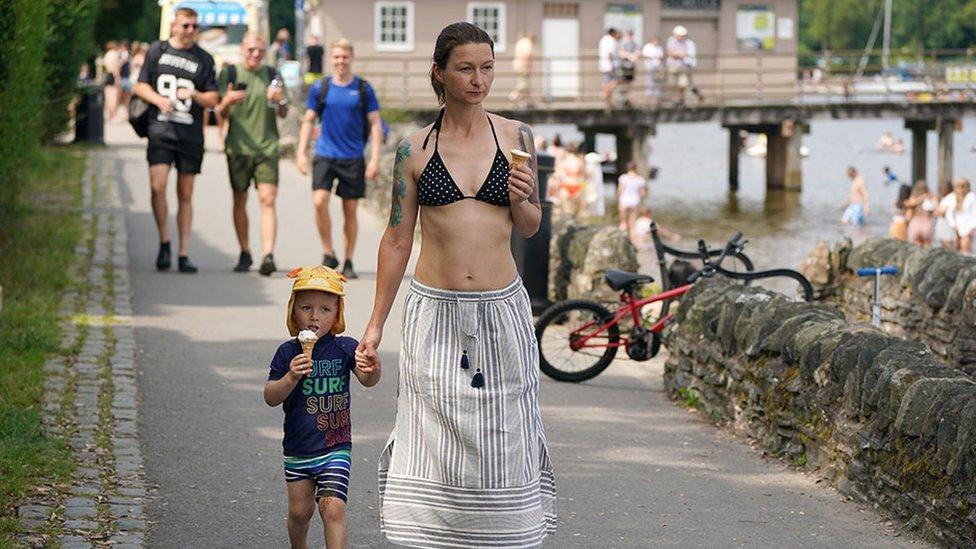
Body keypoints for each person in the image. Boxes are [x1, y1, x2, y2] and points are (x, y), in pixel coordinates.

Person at [354, 21, 555, 548]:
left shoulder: (516, 138)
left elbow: (530, 226)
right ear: (440, 73)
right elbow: (397, 241)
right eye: (465, 68)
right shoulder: (414, 150)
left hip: (500, 308)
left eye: (487, 67)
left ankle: (503, 537)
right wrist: (374, 327)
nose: (478, 79)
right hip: (435, 310)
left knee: (502, 428)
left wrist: (522, 199)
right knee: (433, 430)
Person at [264, 265, 380, 549]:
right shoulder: (287, 352)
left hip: (335, 446)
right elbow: (270, 395)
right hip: (298, 448)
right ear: (293, 311)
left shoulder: (344, 348)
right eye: (306, 307)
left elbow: (367, 379)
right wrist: (290, 376)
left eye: (325, 310)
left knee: (333, 508)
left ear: (337, 314)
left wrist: (372, 366)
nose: (315, 316)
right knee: (299, 513)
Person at [133, 7, 219, 273]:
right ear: (174, 26)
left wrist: (193, 94)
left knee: (185, 193)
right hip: (161, 130)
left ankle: (183, 252)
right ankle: (164, 242)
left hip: (190, 134)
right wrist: (158, 99)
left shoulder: (204, 59)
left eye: (195, 26)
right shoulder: (158, 51)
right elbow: (139, 85)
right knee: (158, 186)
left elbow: (213, 99)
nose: (191, 31)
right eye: (186, 26)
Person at [296, 38, 382, 279]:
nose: (340, 61)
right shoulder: (321, 88)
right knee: (319, 202)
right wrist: (301, 152)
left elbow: (375, 125)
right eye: (336, 57)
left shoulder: (363, 89)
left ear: (351, 58)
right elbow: (308, 120)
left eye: (345, 57)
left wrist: (374, 159)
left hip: (353, 157)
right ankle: (328, 252)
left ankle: (348, 260)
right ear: (330, 59)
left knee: (350, 211)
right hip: (325, 154)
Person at [216, 33, 289, 276]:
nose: (255, 55)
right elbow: (219, 112)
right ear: (243, 50)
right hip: (238, 147)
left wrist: (279, 102)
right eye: (251, 50)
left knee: (268, 200)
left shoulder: (273, 75)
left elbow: (283, 113)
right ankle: (244, 251)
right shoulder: (230, 74)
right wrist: (227, 101)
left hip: (267, 147)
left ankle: (268, 254)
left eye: (259, 50)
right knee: (240, 198)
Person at [666, 25, 702, 105]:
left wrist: (677, 54)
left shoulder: (688, 43)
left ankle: (681, 100)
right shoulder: (671, 41)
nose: (681, 37)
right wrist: (679, 54)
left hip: (684, 66)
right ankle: (679, 99)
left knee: (683, 84)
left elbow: (687, 54)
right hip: (673, 66)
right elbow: (670, 52)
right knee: (674, 84)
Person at [942, 178, 976, 253]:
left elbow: (974, 213)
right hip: (956, 227)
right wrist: (953, 225)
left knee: (965, 248)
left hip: (968, 227)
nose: (961, 189)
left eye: (963, 186)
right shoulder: (952, 197)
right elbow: (948, 212)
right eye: (959, 186)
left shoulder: (971, 196)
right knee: (957, 248)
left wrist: (972, 227)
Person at [617, 161, 647, 238]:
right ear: (636, 168)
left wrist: (619, 200)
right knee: (632, 225)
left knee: (623, 223)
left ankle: (621, 240)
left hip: (624, 201)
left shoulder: (623, 178)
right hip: (634, 201)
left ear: (627, 169)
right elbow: (642, 193)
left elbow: (620, 191)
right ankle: (633, 242)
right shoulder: (640, 179)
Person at [904, 180, 936, 247]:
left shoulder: (914, 198)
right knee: (927, 246)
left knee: (916, 246)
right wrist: (925, 196)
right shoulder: (930, 197)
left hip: (915, 223)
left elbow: (907, 204)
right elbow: (935, 209)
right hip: (927, 224)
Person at [508, 33, 535, 108]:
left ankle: (524, 100)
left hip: (516, 64)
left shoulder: (521, 42)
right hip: (523, 66)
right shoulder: (528, 44)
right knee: (523, 83)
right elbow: (528, 55)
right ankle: (514, 96)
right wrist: (529, 67)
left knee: (521, 82)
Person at [598, 28, 621, 108]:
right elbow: (610, 53)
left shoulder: (603, 39)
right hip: (610, 65)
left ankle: (608, 103)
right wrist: (612, 65)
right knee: (617, 81)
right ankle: (604, 94)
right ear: (613, 33)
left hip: (604, 65)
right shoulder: (611, 40)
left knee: (607, 82)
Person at [618, 29, 639, 106]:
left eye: (631, 34)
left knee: (630, 84)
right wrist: (629, 55)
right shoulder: (623, 43)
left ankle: (628, 99)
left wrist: (634, 56)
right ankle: (623, 99)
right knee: (623, 83)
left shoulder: (634, 44)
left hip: (631, 67)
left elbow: (637, 53)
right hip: (624, 66)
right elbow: (621, 53)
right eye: (629, 34)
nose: (630, 36)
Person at [641, 36, 664, 106]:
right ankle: (648, 101)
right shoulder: (647, 47)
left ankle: (657, 101)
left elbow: (661, 57)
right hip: (649, 68)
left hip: (658, 69)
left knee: (658, 84)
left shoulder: (660, 48)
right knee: (649, 84)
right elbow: (644, 56)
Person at [933, 182, 956, 249]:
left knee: (948, 246)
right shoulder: (946, 198)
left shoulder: (950, 197)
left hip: (947, 225)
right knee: (944, 246)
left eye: (942, 188)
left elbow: (940, 212)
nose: (940, 190)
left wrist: (936, 203)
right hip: (944, 225)